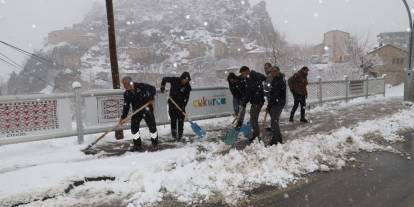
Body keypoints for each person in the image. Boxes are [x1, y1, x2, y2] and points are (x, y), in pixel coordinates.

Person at [119, 76, 158, 151]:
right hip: (136, 111)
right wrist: (123, 118)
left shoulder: (141, 86)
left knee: (152, 127)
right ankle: (137, 145)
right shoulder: (127, 93)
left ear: (130, 82)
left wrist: (151, 98)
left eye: (125, 84)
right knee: (134, 128)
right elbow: (126, 106)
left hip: (147, 109)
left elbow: (153, 89)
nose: (124, 86)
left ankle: (155, 144)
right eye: (123, 84)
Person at [160, 72, 192, 141]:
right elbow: (164, 79)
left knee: (181, 122)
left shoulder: (188, 87)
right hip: (172, 105)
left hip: (181, 106)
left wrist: (183, 106)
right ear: (181, 78)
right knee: (173, 120)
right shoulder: (175, 80)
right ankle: (174, 136)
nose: (185, 81)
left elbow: (186, 98)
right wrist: (162, 86)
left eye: (186, 80)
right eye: (184, 80)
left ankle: (180, 136)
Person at [239, 66, 267, 143]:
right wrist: (244, 102)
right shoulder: (250, 78)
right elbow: (249, 92)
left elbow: (250, 91)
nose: (242, 75)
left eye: (243, 73)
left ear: (247, 71)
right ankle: (256, 134)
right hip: (255, 101)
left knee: (253, 119)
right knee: (252, 119)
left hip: (258, 101)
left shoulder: (254, 76)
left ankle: (256, 135)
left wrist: (259, 88)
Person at [266, 66, 286, 145]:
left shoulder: (280, 80)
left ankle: (276, 140)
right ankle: (278, 139)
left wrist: (269, 106)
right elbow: (272, 93)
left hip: (278, 103)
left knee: (274, 122)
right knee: (274, 121)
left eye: (274, 71)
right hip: (275, 103)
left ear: (278, 71)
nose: (272, 73)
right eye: (271, 71)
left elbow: (275, 95)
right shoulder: (275, 79)